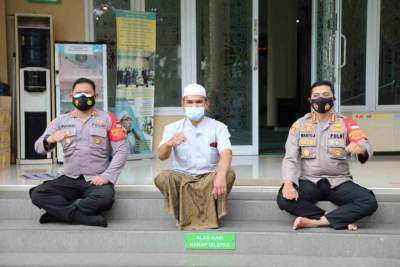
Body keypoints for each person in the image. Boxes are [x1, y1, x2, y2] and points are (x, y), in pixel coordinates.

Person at [277, 80, 378, 231]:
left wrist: (360, 149)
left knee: (369, 201)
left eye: (326, 94)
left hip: (339, 182)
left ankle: (315, 222)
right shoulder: (300, 124)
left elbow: (366, 145)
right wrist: (288, 183)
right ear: (310, 100)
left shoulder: (346, 123)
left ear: (334, 98)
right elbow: (290, 158)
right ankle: (337, 220)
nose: (321, 98)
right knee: (284, 199)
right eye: (316, 95)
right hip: (310, 181)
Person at [30, 77, 128, 227]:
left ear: (95, 96)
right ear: (71, 96)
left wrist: (106, 176)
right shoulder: (60, 121)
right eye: (78, 92)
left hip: (96, 179)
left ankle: (58, 213)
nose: (82, 96)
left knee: (105, 198)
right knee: (38, 193)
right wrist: (50, 139)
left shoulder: (108, 119)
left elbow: (122, 150)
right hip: (69, 178)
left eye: (87, 93)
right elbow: (38, 147)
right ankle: (81, 217)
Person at [154, 83, 236, 230]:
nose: (194, 105)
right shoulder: (173, 128)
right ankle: (183, 216)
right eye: (189, 102)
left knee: (228, 174)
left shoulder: (218, 127)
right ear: (183, 104)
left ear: (206, 104)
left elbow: (226, 152)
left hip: (208, 178)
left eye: (198, 102)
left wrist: (221, 174)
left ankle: (209, 216)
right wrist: (170, 143)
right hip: (183, 177)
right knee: (163, 177)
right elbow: (161, 156)